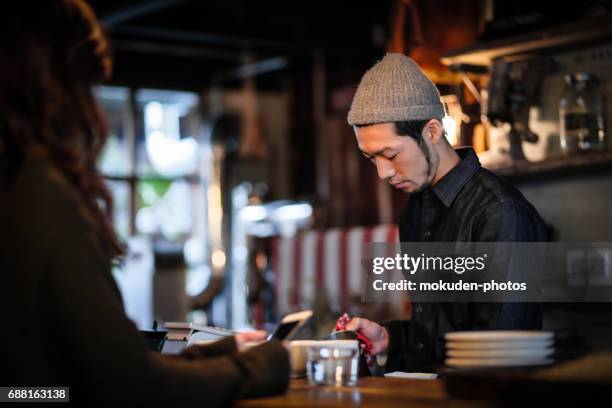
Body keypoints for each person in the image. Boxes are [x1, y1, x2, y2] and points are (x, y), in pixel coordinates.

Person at [0, 1, 288, 405]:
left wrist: (219, 353)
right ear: (56, 86)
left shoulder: (18, 185)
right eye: (87, 85)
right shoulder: (41, 195)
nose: (93, 106)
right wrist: (266, 366)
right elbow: (126, 385)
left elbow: (70, 379)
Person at [343, 53, 548, 372]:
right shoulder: (414, 212)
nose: (382, 173)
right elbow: (438, 334)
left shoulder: (500, 213)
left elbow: (501, 351)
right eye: (372, 159)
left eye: (390, 154)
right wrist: (390, 338)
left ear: (433, 131)